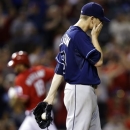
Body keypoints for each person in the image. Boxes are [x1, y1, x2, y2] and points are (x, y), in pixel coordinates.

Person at [40, 2, 110, 130]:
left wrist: (50, 96)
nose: (101, 24)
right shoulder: (79, 35)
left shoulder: (67, 35)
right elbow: (99, 61)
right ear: (92, 18)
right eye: (100, 20)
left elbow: (60, 69)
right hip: (80, 90)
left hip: (82, 91)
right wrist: (94, 37)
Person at [7, 51, 57, 130]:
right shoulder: (39, 69)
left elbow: (24, 99)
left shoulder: (20, 78)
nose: (14, 67)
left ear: (22, 64)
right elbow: (56, 75)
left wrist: (15, 96)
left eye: (16, 65)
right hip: (39, 112)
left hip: (37, 114)